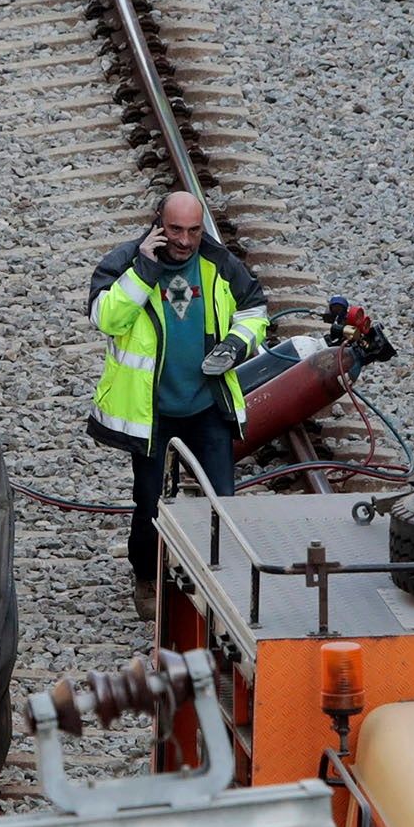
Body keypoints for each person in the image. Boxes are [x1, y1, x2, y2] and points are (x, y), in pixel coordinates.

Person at [88, 191, 265, 593]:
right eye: (175, 230)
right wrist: (144, 271)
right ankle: (148, 577)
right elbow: (106, 318)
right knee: (150, 502)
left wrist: (237, 344)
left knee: (221, 500)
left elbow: (255, 311)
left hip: (207, 406)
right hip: (152, 412)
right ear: (157, 225)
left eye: (194, 231)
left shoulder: (217, 262)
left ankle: (219, 585)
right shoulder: (125, 262)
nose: (185, 241)